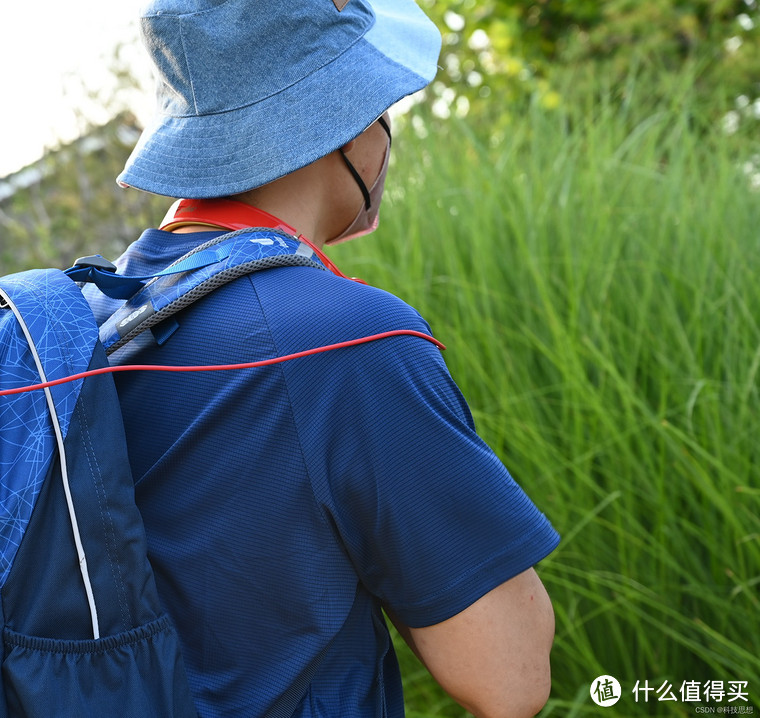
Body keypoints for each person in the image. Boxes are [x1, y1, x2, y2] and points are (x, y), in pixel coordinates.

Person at [85, 1, 560, 716]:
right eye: (382, 103)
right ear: (344, 121)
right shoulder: (347, 339)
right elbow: (510, 676)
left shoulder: (85, 321)